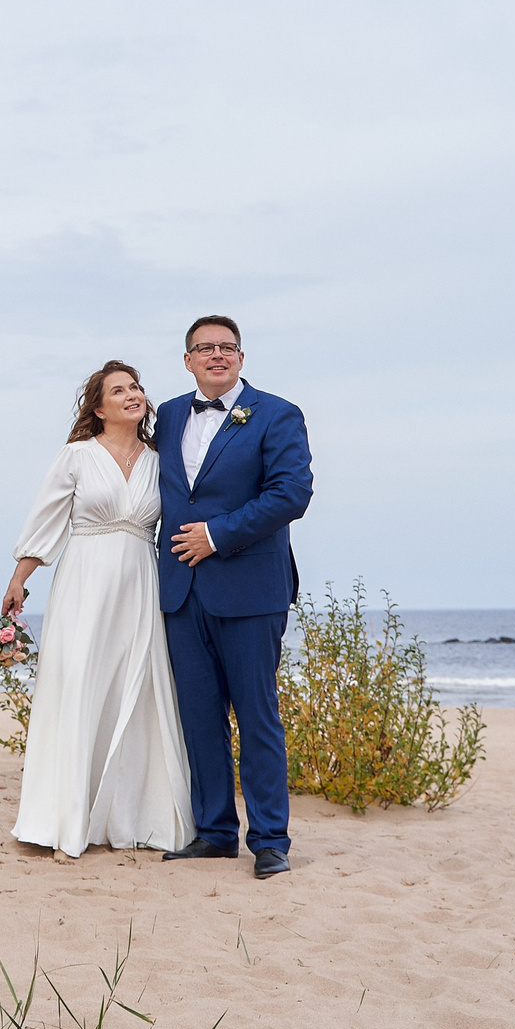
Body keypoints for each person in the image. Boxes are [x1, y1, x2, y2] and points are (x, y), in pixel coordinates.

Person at [1, 361, 194, 858]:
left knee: (141, 689)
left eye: (136, 387)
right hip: (84, 580)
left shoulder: (159, 459)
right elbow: (46, 519)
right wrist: (20, 579)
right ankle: (64, 816)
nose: (132, 395)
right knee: (80, 683)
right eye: (119, 390)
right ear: (98, 406)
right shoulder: (77, 456)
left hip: (139, 582)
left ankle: (133, 815)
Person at [152, 314, 314, 878]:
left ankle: (270, 840)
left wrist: (216, 536)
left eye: (227, 347)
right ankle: (215, 832)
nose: (216, 355)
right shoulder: (169, 415)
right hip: (180, 590)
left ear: (241, 358)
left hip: (250, 588)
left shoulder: (278, 413)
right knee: (199, 719)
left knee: (257, 715)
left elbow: (292, 493)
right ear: (188, 360)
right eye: (205, 348)